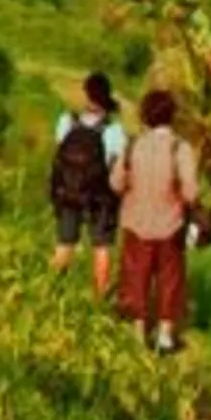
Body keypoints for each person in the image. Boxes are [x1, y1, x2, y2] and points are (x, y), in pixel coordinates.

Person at [112, 87, 202, 352]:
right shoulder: (180, 148)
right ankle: (164, 334)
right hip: (170, 225)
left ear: (145, 116)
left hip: (136, 223)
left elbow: (116, 183)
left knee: (135, 277)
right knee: (170, 280)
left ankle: (138, 330)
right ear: (171, 116)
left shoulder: (133, 146)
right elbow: (190, 192)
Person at [48, 71, 128, 292]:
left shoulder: (67, 122)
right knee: (101, 248)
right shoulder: (114, 130)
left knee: (64, 244)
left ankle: (50, 289)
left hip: (69, 193)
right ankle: (99, 298)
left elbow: (58, 155)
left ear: (87, 96)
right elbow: (116, 170)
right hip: (100, 198)